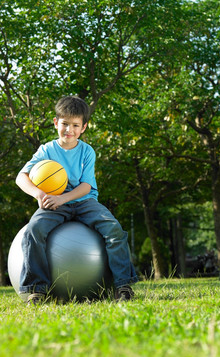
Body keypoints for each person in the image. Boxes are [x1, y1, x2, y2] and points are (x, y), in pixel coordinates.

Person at [16, 95, 138, 305]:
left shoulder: (86, 151)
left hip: (84, 202)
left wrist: (63, 198)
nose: (69, 130)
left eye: (75, 125)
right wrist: (40, 194)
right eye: (64, 124)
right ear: (56, 123)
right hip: (53, 202)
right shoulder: (46, 150)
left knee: (114, 229)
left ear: (84, 127)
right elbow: (21, 177)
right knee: (33, 230)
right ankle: (37, 290)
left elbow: (86, 186)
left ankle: (122, 285)